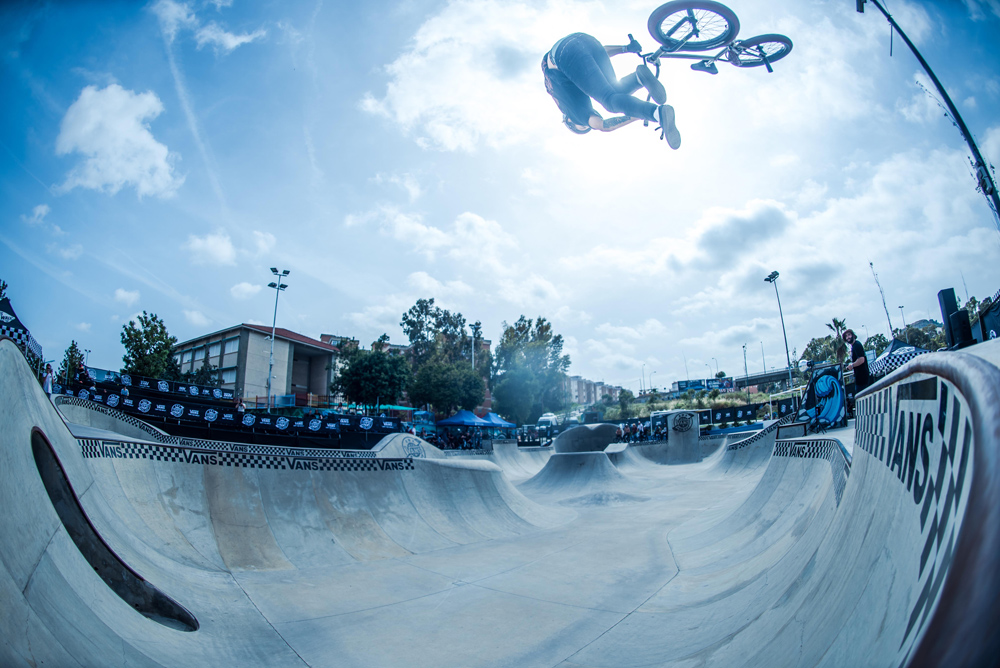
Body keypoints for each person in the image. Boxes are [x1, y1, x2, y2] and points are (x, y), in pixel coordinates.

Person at [541, 32, 681, 148]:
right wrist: (625, 48)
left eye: (584, 127)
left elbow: (604, 126)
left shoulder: (574, 113)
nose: (588, 124)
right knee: (616, 93)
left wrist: (642, 114)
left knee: (609, 102)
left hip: (563, 55)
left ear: (570, 123)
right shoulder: (567, 88)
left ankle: (657, 113)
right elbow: (588, 55)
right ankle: (638, 78)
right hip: (585, 41)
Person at [844, 329, 870, 393]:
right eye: (846, 336)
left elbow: (861, 360)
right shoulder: (854, 347)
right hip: (859, 379)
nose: (848, 337)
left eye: (849, 335)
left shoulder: (857, 345)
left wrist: (852, 365)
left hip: (863, 379)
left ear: (853, 335)